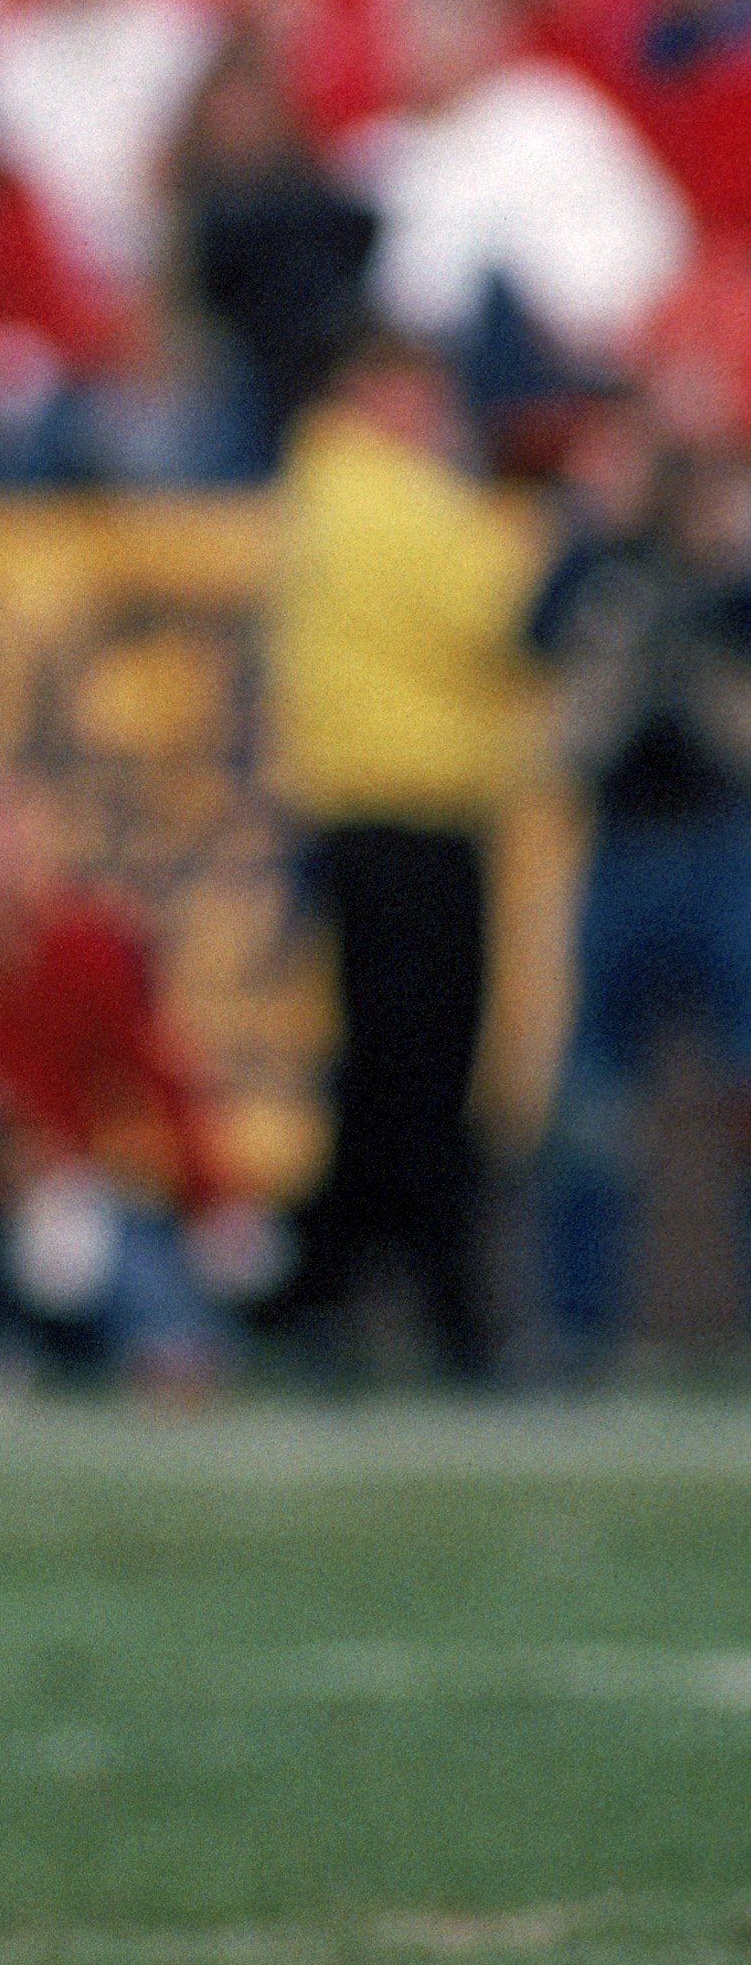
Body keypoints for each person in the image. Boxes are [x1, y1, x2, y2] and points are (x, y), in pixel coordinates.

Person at [262, 324, 542, 1376]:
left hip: (380, 812)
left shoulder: (332, 488)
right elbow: (497, 612)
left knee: (387, 1068)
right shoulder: (381, 494)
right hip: (405, 812)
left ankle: (331, 1289)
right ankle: (424, 1303)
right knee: (420, 1071)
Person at [0, 770, 266, 1392]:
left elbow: (158, 1074)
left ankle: (168, 1346)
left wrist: (212, 1196)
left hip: (67, 1182)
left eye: (7, 851)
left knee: (102, 1241)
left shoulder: (88, 947)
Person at [529, 389, 751, 1365]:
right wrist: (597, 526)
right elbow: (533, 639)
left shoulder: (725, 575)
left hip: (721, 837)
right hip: (622, 841)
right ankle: (575, 1322)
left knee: (739, 1088)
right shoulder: (606, 564)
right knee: (590, 1101)